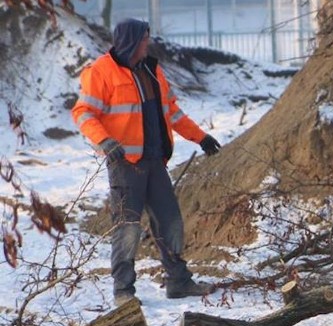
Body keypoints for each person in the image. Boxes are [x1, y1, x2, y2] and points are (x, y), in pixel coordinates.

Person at [72, 18, 222, 305]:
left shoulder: (152, 71)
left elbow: (172, 114)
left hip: (155, 161)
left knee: (170, 222)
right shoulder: (100, 72)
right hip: (125, 165)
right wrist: (105, 141)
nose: (147, 44)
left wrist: (200, 137)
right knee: (128, 227)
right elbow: (83, 113)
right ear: (130, 40)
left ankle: (178, 281)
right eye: (143, 39)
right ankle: (123, 291)